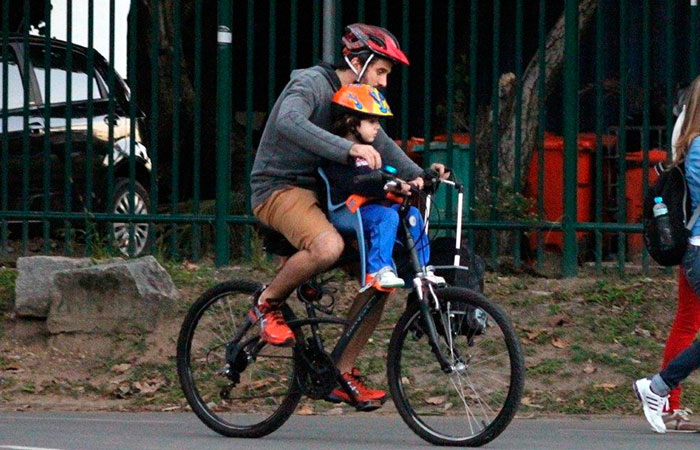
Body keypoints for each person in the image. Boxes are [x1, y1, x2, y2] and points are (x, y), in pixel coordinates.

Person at [248, 23, 449, 405]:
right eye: (381, 72)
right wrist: (348, 151)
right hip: (281, 188)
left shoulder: (356, 99)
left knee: (382, 278)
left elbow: (384, 146)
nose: (385, 83)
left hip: (328, 193)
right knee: (327, 247)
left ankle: (341, 369)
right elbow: (289, 122)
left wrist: (421, 175)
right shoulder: (310, 84)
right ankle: (265, 304)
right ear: (356, 62)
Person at [323, 83, 441, 291]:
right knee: (387, 217)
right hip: (351, 210)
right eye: (372, 121)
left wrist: (417, 181)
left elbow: (386, 174)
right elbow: (356, 181)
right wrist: (390, 185)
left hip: (375, 206)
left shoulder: (369, 151)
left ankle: (422, 270)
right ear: (352, 123)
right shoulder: (338, 154)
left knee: (412, 214)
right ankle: (376, 271)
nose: (378, 127)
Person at [634, 74, 700, 433]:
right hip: (698, 249)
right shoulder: (698, 144)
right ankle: (660, 391)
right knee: (688, 324)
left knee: (688, 323)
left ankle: (662, 394)